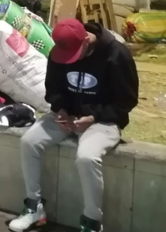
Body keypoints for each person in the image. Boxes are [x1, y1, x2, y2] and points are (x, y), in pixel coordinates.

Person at [8, 19, 139, 232]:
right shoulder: (59, 51)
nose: (69, 60)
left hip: (103, 120)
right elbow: (53, 89)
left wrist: (93, 117)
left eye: (75, 56)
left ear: (87, 39)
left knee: (86, 157)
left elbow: (127, 101)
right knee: (29, 142)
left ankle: (91, 222)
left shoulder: (117, 55)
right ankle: (34, 207)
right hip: (67, 116)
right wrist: (61, 109)